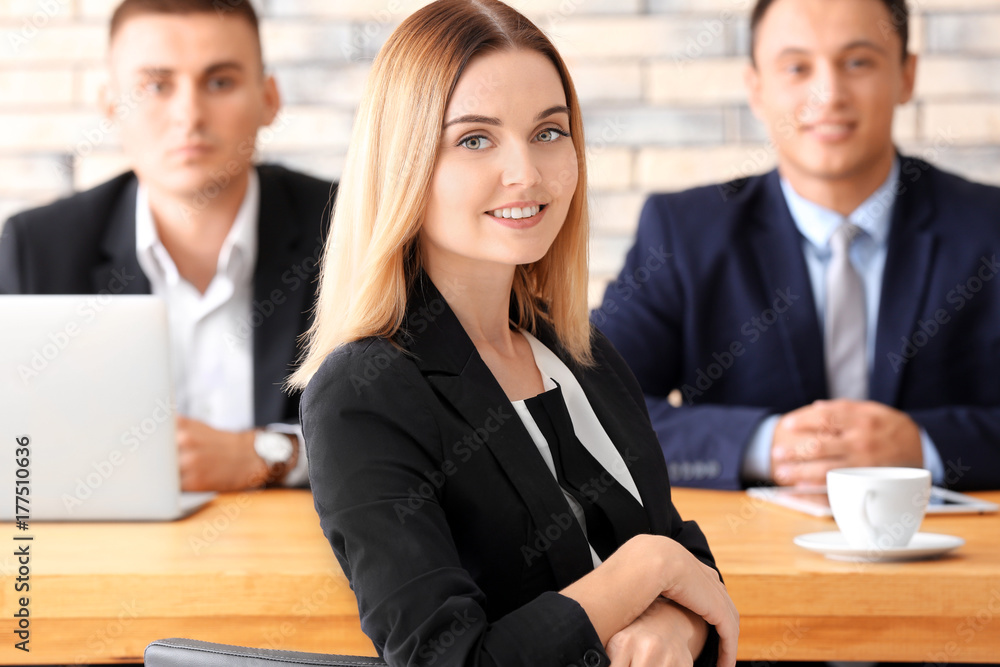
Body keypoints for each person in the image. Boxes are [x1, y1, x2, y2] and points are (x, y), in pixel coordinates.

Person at [290, 1, 739, 665]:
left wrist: (678, 621)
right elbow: (450, 659)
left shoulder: (577, 352)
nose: (526, 173)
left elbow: (681, 549)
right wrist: (644, 570)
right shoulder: (362, 393)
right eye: (475, 139)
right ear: (405, 162)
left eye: (549, 132)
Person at [594, 0, 1000, 491]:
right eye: (796, 67)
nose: (827, 95)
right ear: (757, 89)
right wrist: (766, 446)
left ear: (907, 75)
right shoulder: (684, 232)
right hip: (751, 556)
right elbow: (593, 404)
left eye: (858, 62)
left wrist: (925, 446)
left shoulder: (987, 226)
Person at [0, 0, 335, 491]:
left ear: (269, 99)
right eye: (156, 86)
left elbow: (412, 429)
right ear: (111, 105)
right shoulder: (38, 248)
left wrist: (265, 454)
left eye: (220, 82)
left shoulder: (347, 229)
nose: (189, 116)